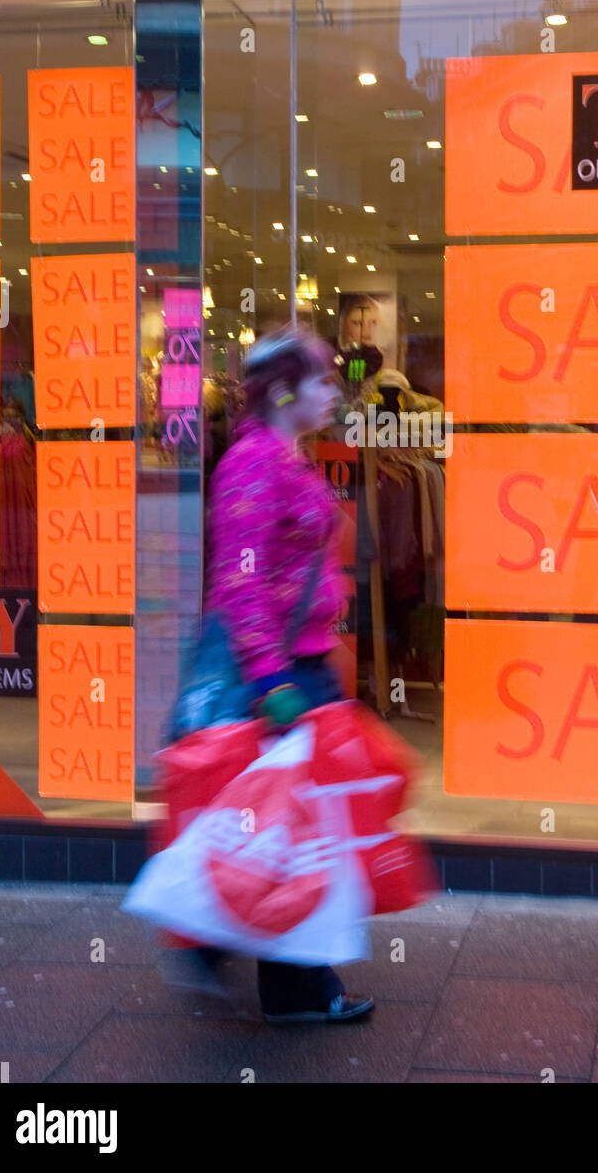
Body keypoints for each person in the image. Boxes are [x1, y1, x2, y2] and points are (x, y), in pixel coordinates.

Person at [166, 325, 375, 1023]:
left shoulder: (283, 454)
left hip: (300, 667)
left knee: (287, 823)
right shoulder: (255, 463)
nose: (331, 392)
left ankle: (224, 948)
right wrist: (269, 679)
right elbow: (241, 581)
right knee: (290, 826)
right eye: (320, 380)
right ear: (284, 390)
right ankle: (283, 981)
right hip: (280, 675)